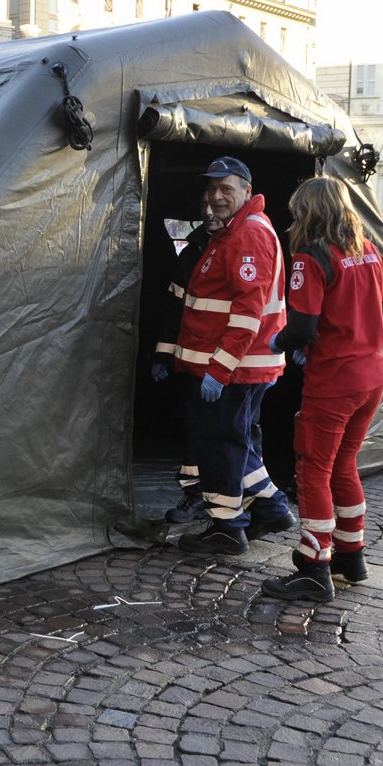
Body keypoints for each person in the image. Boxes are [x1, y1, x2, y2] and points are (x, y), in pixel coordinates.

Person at [261, 177, 383, 601]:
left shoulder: (309, 257)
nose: (294, 218)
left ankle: (313, 567)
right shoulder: (368, 251)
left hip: (334, 381)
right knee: (345, 465)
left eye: (298, 210)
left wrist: (276, 342)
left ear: (310, 212)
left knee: (313, 469)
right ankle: (351, 559)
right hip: (372, 375)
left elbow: (302, 326)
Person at [171, 156, 297, 556]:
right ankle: (272, 507)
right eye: (211, 189)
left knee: (222, 445)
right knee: (235, 441)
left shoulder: (248, 235)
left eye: (226, 188)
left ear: (247, 190)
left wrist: (219, 370)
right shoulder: (231, 233)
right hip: (233, 365)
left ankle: (227, 527)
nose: (217, 196)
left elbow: (247, 312)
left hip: (236, 368)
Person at [149, 197, 224, 526]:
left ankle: (238, 503)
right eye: (203, 204)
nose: (207, 211)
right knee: (196, 429)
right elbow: (174, 307)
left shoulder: (244, 246)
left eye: (215, 205)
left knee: (237, 433)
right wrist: (163, 355)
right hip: (195, 363)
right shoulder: (192, 252)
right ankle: (198, 495)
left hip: (233, 365)